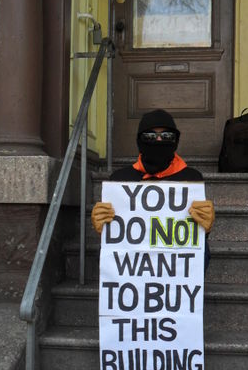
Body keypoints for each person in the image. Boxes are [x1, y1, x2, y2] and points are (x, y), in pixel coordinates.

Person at [91, 109, 214, 269]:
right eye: (149, 136)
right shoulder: (120, 179)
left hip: (174, 260)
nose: (158, 140)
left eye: (166, 136)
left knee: (203, 249)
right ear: (139, 141)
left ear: (176, 141)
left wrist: (206, 225)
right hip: (134, 258)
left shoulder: (191, 178)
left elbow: (195, 236)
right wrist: (102, 226)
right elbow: (114, 236)